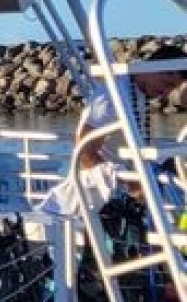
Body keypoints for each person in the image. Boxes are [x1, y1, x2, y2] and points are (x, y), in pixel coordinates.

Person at [39, 44, 187, 215]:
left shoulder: (137, 91)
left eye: (171, 88)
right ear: (153, 68)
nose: (165, 92)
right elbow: (85, 151)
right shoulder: (113, 95)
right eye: (166, 84)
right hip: (101, 192)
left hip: (126, 178)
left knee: (175, 166)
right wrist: (130, 185)